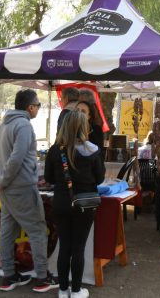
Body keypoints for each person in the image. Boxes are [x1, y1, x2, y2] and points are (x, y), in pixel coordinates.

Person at [0, 89, 58, 292]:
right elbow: (16, 159)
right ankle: (43, 277)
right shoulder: (24, 125)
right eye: (38, 105)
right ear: (30, 107)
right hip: (21, 188)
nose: (38, 108)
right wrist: (1, 180)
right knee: (37, 231)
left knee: (8, 231)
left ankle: (9, 276)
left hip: (8, 188)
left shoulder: (4, 125)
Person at [45, 110, 105, 298]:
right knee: (78, 247)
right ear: (84, 128)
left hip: (61, 202)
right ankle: (77, 290)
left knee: (65, 246)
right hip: (84, 205)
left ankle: (63, 290)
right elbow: (100, 179)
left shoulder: (55, 150)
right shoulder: (93, 150)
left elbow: (48, 178)